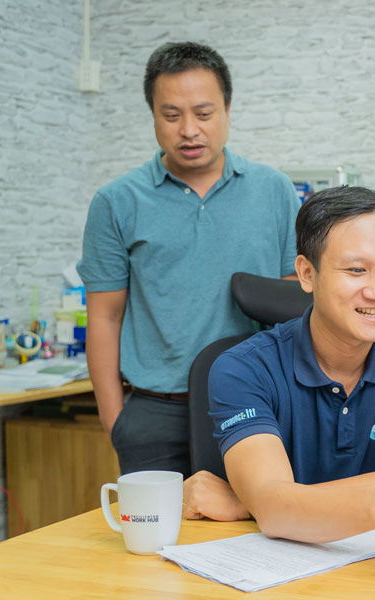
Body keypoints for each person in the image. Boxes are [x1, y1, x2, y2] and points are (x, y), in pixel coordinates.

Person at [180, 186, 375, 542]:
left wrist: (256, 504)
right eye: (356, 270)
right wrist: (272, 506)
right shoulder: (241, 368)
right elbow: (278, 510)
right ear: (307, 274)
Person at [78, 42, 299, 477]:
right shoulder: (116, 201)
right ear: (154, 117)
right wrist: (116, 420)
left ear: (228, 110)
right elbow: (104, 317)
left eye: (203, 113)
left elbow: (296, 300)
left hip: (256, 406)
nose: (189, 130)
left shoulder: (273, 190)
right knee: (151, 544)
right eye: (172, 115)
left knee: (257, 538)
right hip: (155, 414)